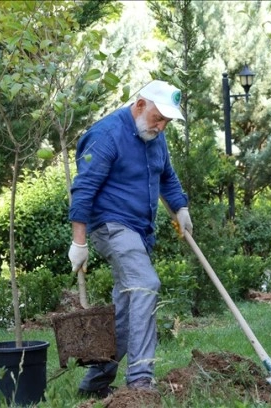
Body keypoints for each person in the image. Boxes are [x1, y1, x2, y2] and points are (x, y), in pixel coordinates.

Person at [67, 80, 193, 397]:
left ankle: (95, 384)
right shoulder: (106, 135)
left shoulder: (153, 137)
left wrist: (180, 207)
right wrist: (79, 243)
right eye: (158, 117)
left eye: (167, 121)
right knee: (145, 285)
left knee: (125, 308)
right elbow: (82, 191)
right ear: (139, 105)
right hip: (110, 226)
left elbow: (167, 176)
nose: (161, 126)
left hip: (138, 232)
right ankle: (139, 380)